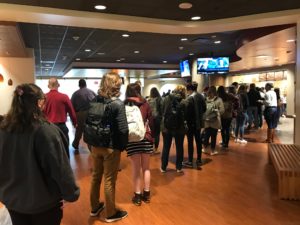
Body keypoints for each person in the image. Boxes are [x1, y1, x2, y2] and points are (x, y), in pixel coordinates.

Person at [0, 83, 80, 225]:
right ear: (39, 102)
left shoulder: (4, 129)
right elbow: (60, 168)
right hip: (44, 205)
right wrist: (70, 193)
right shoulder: (46, 131)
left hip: (13, 202)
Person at [89, 73, 129, 222]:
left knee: (95, 177)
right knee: (109, 180)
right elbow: (123, 129)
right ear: (116, 85)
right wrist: (122, 146)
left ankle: (94, 208)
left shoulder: (95, 100)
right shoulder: (117, 104)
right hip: (110, 147)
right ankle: (111, 213)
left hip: (95, 145)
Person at [124, 83, 154, 206]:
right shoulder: (145, 103)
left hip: (132, 139)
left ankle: (137, 196)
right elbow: (151, 120)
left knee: (136, 169)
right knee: (146, 168)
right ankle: (146, 194)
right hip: (145, 137)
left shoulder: (124, 104)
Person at [44, 78, 77, 158]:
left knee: (50, 152)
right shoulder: (64, 97)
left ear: (48, 86)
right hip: (61, 127)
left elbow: (40, 113)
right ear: (58, 85)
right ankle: (66, 169)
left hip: (48, 128)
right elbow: (71, 111)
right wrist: (75, 123)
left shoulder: (44, 97)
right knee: (65, 151)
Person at [161, 85, 187, 173]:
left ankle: (163, 167)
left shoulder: (166, 98)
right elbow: (186, 115)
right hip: (180, 128)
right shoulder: (184, 101)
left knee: (166, 147)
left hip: (167, 127)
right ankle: (179, 167)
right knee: (179, 147)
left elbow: (162, 111)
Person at [182, 82, 206, 168]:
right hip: (198, 122)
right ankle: (199, 159)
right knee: (198, 141)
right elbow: (204, 108)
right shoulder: (201, 96)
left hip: (190, 123)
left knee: (190, 142)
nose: (187, 92)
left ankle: (190, 160)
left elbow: (187, 112)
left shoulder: (189, 98)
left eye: (187, 90)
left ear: (190, 89)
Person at [71, 79, 97, 150]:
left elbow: (72, 106)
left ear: (79, 85)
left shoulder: (75, 94)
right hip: (92, 113)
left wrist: (73, 118)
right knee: (90, 130)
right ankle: (90, 146)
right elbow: (97, 102)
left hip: (80, 114)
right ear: (86, 84)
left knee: (79, 130)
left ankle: (75, 144)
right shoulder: (92, 92)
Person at [202, 86, 224, 155]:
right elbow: (222, 110)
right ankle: (212, 150)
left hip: (207, 120)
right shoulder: (219, 100)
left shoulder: (205, 99)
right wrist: (216, 113)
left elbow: (202, 110)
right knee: (213, 136)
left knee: (206, 135)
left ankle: (204, 148)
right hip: (215, 121)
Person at [148, 87, 163, 154]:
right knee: (157, 134)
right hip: (157, 119)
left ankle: (151, 149)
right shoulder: (159, 99)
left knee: (151, 134)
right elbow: (162, 109)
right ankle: (156, 149)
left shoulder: (148, 100)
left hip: (150, 119)